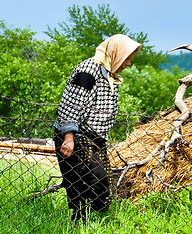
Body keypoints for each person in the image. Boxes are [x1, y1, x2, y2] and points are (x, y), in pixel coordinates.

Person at [53, 34, 140, 221]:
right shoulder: (87, 71)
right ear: (115, 53)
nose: (128, 64)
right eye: (127, 59)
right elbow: (70, 105)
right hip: (76, 135)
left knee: (100, 186)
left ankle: (94, 222)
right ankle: (80, 223)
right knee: (87, 181)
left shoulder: (110, 74)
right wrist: (69, 138)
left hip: (94, 137)